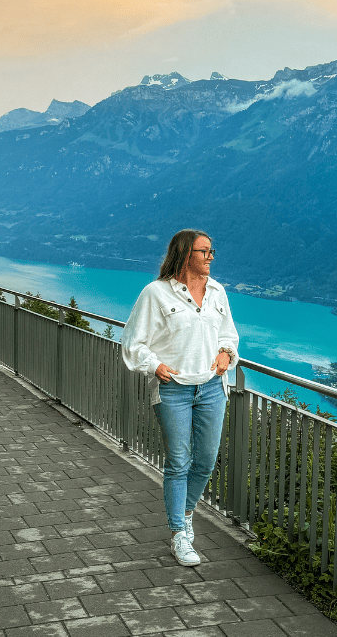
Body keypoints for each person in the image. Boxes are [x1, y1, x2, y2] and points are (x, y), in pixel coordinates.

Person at [121, 229, 239, 566]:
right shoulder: (155, 294)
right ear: (185, 254)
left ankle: (186, 515)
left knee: (204, 460)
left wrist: (226, 354)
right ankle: (178, 534)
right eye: (204, 251)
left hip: (212, 388)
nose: (210, 257)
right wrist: (154, 365)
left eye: (211, 251)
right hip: (173, 388)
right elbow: (132, 342)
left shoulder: (217, 292)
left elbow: (229, 334)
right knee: (178, 461)